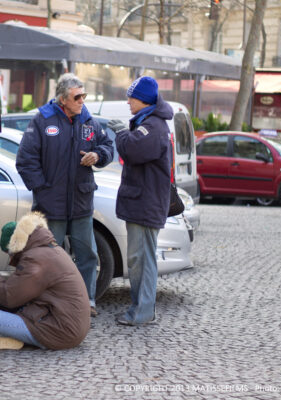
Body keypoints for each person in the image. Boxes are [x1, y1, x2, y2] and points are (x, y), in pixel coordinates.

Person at [15, 73, 114, 317]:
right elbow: (25, 161)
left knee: (88, 255)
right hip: (51, 205)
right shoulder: (42, 120)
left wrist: (98, 156)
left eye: (84, 95)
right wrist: (43, 189)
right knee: (49, 259)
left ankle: (86, 301)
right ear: (62, 100)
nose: (82, 100)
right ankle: (51, 303)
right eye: (77, 96)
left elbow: (108, 147)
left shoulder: (88, 120)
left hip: (81, 201)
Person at [109, 76, 173, 326]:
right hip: (143, 203)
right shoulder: (149, 123)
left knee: (142, 260)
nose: (127, 101)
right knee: (139, 259)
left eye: (131, 97)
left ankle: (143, 312)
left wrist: (122, 133)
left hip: (145, 204)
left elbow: (133, 150)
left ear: (143, 100)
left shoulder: (153, 126)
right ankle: (140, 309)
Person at [0, 212, 91, 350]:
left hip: (62, 332)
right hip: (72, 327)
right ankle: (15, 338)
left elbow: (9, 297)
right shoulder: (51, 249)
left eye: (8, 253)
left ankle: (19, 339)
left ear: (14, 246)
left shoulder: (35, 259)